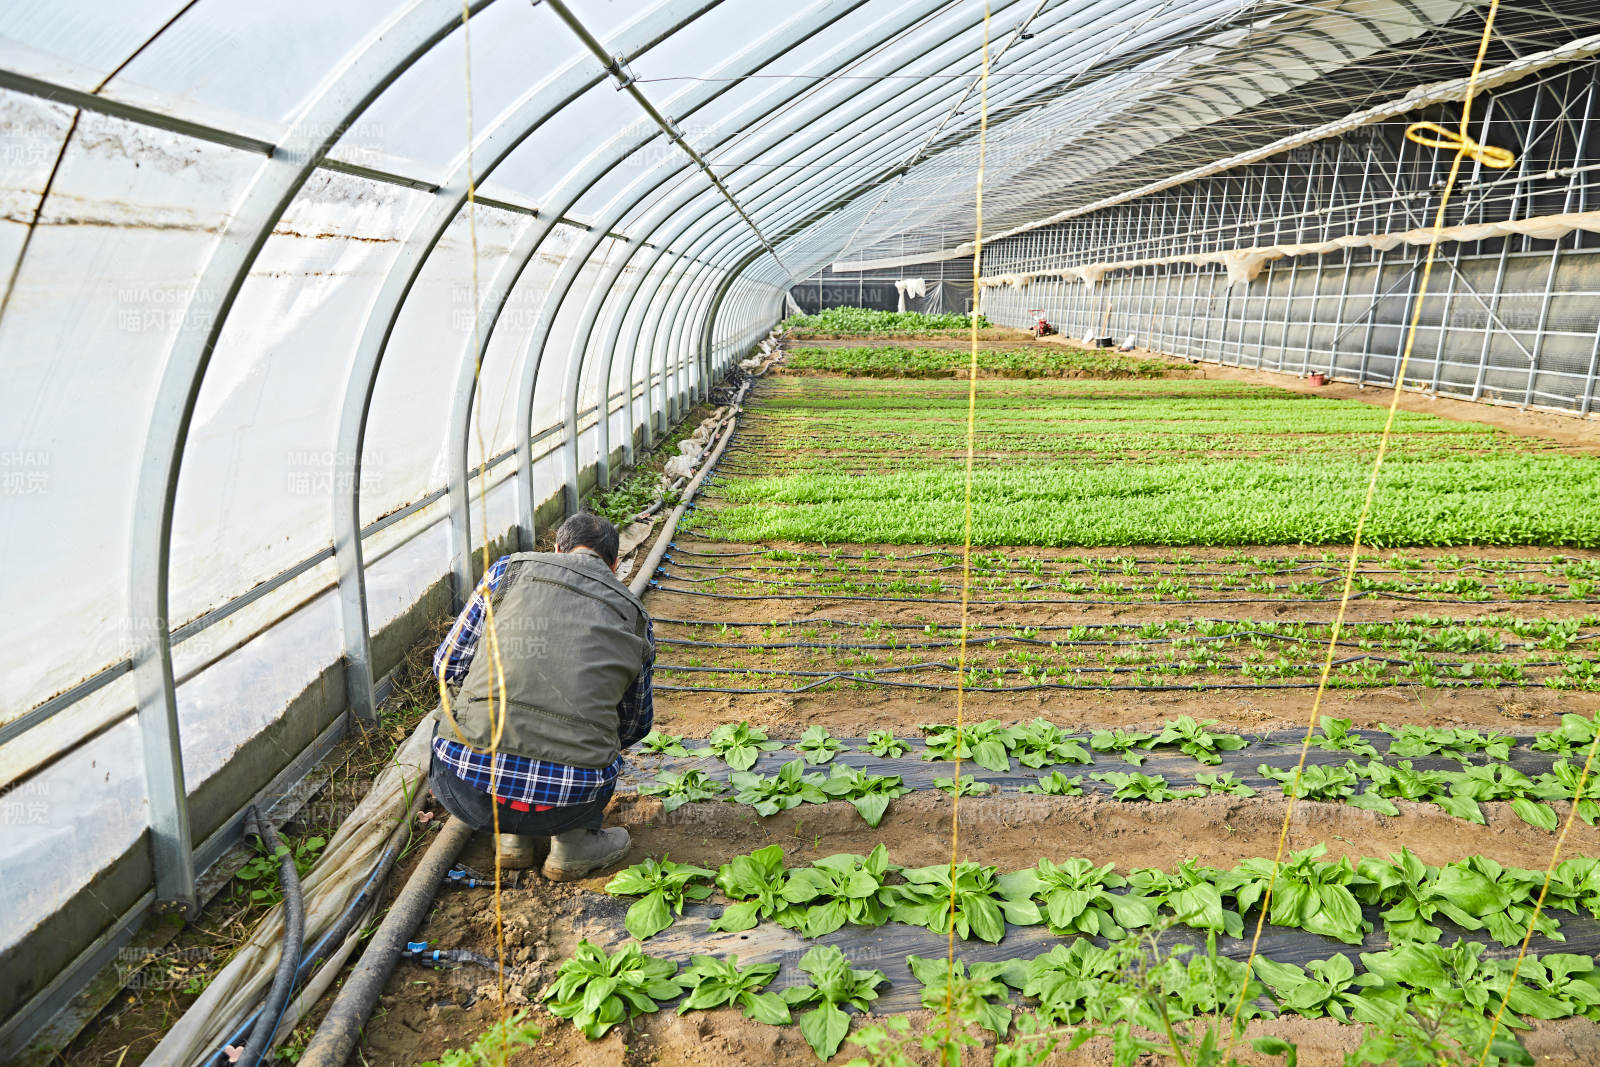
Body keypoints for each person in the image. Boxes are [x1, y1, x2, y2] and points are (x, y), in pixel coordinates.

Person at [427, 512, 654, 881]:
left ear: (557, 548)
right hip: (572, 801)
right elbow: (635, 725)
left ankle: (510, 838)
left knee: (461, 698)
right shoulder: (635, 614)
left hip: (465, 788)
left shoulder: (507, 571)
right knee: (601, 735)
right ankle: (572, 844)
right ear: (614, 565)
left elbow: (446, 666)